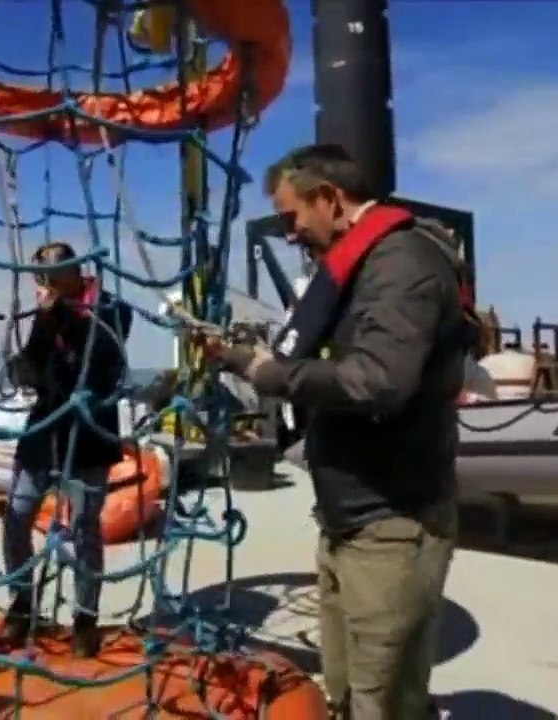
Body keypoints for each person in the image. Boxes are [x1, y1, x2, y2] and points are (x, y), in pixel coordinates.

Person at [199, 143, 472, 719]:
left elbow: (378, 380)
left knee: (382, 701)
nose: (291, 234)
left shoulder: (401, 263)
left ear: (328, 198)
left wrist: (270, 372)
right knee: (347, 692)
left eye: (293, 216)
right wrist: (236, 357)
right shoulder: (364, 264)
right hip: (349, 520)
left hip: (391, 521)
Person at [1, 241, 133, 658]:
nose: (46, 285)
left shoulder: (112, 308)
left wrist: (55, 312)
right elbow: (38, 364)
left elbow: (96, 355)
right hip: (45, 430)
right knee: (16, 516)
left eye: (53, 277)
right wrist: (26, 357)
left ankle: (84, 620)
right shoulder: (48, 311)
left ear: (76, 272)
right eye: (42, 278)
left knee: (84, 530)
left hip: (90, 433)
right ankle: (23, 604)